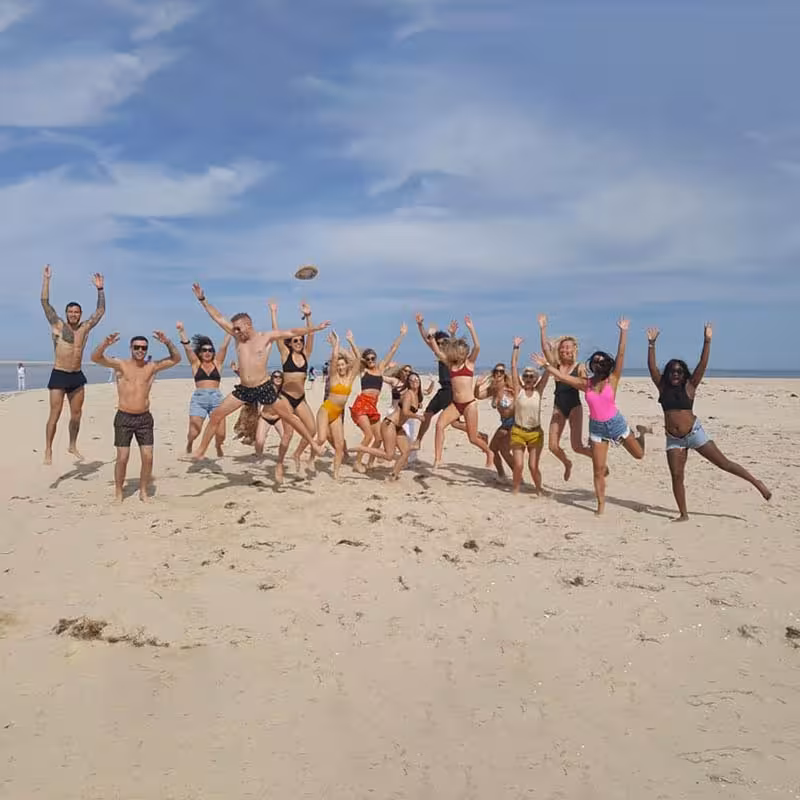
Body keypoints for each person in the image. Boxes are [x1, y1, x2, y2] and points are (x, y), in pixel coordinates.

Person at [190, 284, 329, 462]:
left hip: (263, 387)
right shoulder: (237, 338)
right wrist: (203, 300)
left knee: (288, 416)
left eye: (239, 328)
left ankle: (314, 445)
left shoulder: (266, 337)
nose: (237, 332)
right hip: (244, 389)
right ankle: (201, 450)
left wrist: (314, 328)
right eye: (235, 329)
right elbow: (218, 318)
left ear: (249, 325)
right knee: (217, 414)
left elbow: (292, 331)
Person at [647, 323, 771, 520]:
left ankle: (757, 483)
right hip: (673, 439)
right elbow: (652, 368)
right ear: (668, 373)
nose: (676, 374)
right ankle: (683, 514)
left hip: (695, 434)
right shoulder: (662, 387)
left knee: (724, 464)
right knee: (677, 476)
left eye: (679, 371)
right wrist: (651, 344)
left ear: (684, 373)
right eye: (672, 371)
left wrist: (707, 341)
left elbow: (702, 364)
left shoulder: (690, 386)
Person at [533, 318, 650, 515]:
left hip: (617, 425)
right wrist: (545, 364)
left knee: (639, 455)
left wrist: (624, 332)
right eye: (595, 361)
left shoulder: (613, 379)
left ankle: (642, 435)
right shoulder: (585, 383)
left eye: (601, 361)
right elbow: (561, 377)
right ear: (592, 365)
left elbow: (621, 354)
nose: (598, 363)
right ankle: (600, 505)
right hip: (596, 429)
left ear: (606, 364)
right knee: (598, 469)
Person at [90, 331, 181, 502]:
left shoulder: (151, 366)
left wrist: (167, 342)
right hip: (124, 417)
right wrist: (105, 343)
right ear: (131, 348)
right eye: (137, 347)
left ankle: (143, 491)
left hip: (144, 418)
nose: (140, 350)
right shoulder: (121, 365)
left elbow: (176, 359)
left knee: (148, 457)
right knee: (122, 458)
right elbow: (95, 358)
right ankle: (118, 492)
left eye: (143, 348)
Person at [40, 264, 106, 464]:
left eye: (77, 312)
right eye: (71, 311)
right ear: (66, 313)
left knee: (77, 415)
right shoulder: (58, 325)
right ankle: (48, 449)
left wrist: (100, 289)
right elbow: (44, 303)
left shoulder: (85, 328)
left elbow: (100, 311)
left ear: (80, 313)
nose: (74, 314)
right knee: (55, 413)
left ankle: (72, 444)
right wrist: (47, 280)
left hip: (76, 375)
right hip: (59, 374)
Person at [421, 314, 494, 469]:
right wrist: (431, 335)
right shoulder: (450, 365)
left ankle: (489, 452)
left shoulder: (470, 364)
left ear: (465, 353)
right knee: (440, 424)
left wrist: (471, 328)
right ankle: (438, 458)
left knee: (473, 438)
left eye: (462, 351)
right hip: (456, 404)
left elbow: (478, 347)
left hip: (469, 405)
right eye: (458, 351)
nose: (460, 354)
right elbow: (436, 350)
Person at [296, 330, 361, 479]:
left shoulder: (350, 378)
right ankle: (310, 460)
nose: (340, 367)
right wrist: (336, 344)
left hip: (337, 413)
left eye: (342, 365)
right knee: (321, 438)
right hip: (325, 410)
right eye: (338, 365)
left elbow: (358, 359)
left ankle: (336, 473)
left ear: (347, 366)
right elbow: (334, 356)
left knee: (339, 446)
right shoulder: (333, 377)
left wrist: (351, 341)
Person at [269, 301, 321, 481]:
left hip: (300, 399)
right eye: (295, 340)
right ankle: (279, 463)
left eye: (300, 340)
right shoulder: (285, 354)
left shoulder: (306, 355)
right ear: (290, 343)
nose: (298, 342)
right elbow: (276, 334)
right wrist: (274, 312)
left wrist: (308, 316)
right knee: (288, 435)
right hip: (285, 398)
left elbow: (311, 334)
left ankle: (297, 454)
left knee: (312, 429)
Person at [538, 314, 591, 480]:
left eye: (568, 347)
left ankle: (598, 458)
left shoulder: (580, 366)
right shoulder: (556, 365)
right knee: (553, 446)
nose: (565, 350)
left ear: (574, 349)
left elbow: (585, 385)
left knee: (578, 447)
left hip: (575, 406)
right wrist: (543, 329)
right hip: (558, 406)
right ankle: (567, 463)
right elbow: (546, 350)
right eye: (563, 348)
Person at [350, 324, 407, 473]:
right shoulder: (364, 371)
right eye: (368, 359)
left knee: (379, 438)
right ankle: (357, 462)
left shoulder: (381, 368)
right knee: (368, 436)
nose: (370, 360)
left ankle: (369, 462)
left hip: (373, 406)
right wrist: (351, 341)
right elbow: (357, 356)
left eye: (372, 358)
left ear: (376, 358)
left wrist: (401, 334)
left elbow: (392, 350)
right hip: (362, 404)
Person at [356, 372, 427, 480]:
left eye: (416, 380)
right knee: (389, 455)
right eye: (411, 380)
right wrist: (417, 416)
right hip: (390, 424)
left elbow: (415, 403)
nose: (414, 382)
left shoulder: (417, 395)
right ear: (408, 383)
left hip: (398, 427)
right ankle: (363, 448)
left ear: (420, 381)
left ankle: (394, 475)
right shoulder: (408, 394)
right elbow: (405, 412)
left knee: (405, 452)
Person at [176, 322, 231, 456]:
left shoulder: (217, 364)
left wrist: (230, 330)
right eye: (204, 350)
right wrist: (182, 331)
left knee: (221, 434)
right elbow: (188, 349)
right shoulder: (196, 364)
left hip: (216, 399)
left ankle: (218, 445)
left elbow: (224, 346)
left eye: (210, 350)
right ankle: (190, 442)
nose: (207, 352)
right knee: (195, 431)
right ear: (200, 353)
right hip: (199, 399)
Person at [413, 317, 468, 450]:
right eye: (438, 343)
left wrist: (453, 335)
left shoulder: (452, 356)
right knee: (428, 414)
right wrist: (420, 325)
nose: (440, 344)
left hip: (451, 390)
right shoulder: (439, 355)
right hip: (443, 390)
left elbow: (454, 347)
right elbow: (428, 341)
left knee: (454, 423)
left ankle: (476, 433)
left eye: (444, 342)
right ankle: (418, 441)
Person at [509, 338, 549, 494]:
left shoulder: (539, 391)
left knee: (533, 466)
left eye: (532, 376)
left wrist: (547, 358)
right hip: (518, 431)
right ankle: (516, 488)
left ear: (536, 378)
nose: (529, 378)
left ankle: (539, 489)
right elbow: (513, 366)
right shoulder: (518, 390)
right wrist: (516, 347)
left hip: (535, 433)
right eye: (526, 376)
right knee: (518, 465)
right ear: (522, 378)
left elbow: (549, 371)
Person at [474, 363, 515, 481]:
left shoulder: (510, 388)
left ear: (504, 374)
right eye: (496, 371)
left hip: (515, 423)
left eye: (501, 371)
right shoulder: (493, 389)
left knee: (505, 450)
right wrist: (477, 386)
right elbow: (478, 395)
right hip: (505, 423)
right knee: (493, 449)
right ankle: (502, 475)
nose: (498, 373)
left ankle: (518, 476)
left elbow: (521, 399)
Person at [254, 371, 286, 454]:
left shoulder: (284, 391)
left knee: (285, 438)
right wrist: (258, 410)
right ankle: (258, 455)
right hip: (265, 417)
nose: (278, 378)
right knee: (259, 441)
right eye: (275, 376)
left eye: (280, 377)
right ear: (272, 378)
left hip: (278, 418)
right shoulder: (267, 389)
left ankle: (281, 457)